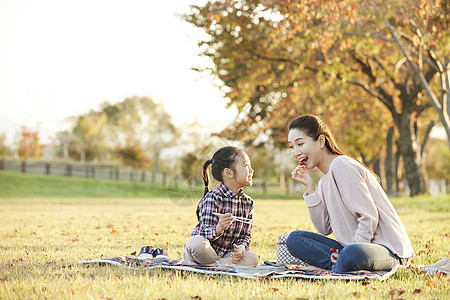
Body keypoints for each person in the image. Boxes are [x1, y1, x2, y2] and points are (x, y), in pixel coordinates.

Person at [285, 114, 414, 273]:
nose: (296, 152)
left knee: (351, 254)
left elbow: (369, 216)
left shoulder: (342, 165)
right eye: (291, 146)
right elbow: (324, 228)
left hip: (387, 250)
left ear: (320, 141)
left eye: (300, 143)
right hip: (352, 249)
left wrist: (350, 251)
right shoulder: (324, 182)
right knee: (294, 239)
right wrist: (311, 188)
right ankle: (338, 264)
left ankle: (341, 263)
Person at [183, 146, 259, 266]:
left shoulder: (248, 203)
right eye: (245, 165)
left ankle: (212, 265)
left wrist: (241, 249)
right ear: (228, 172)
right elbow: (203, 232)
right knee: (195, 243)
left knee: (252, 258)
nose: (251, 170)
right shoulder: (213, 198)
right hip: (206, 251)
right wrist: (219, 228)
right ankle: (219, 265)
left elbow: (245, 236)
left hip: (227, 254)